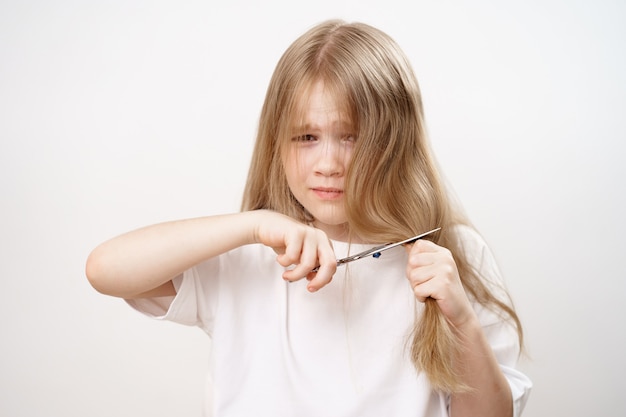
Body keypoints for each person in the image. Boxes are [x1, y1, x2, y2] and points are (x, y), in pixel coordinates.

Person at [86, 19, 532, 417]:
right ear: (276, 142)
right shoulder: (247, 256)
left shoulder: (453, 257)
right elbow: (105, 270)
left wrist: (462, 321)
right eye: (306, 137)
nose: (328, 164)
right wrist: (254, 225)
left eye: (352, 137)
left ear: (395, 142)